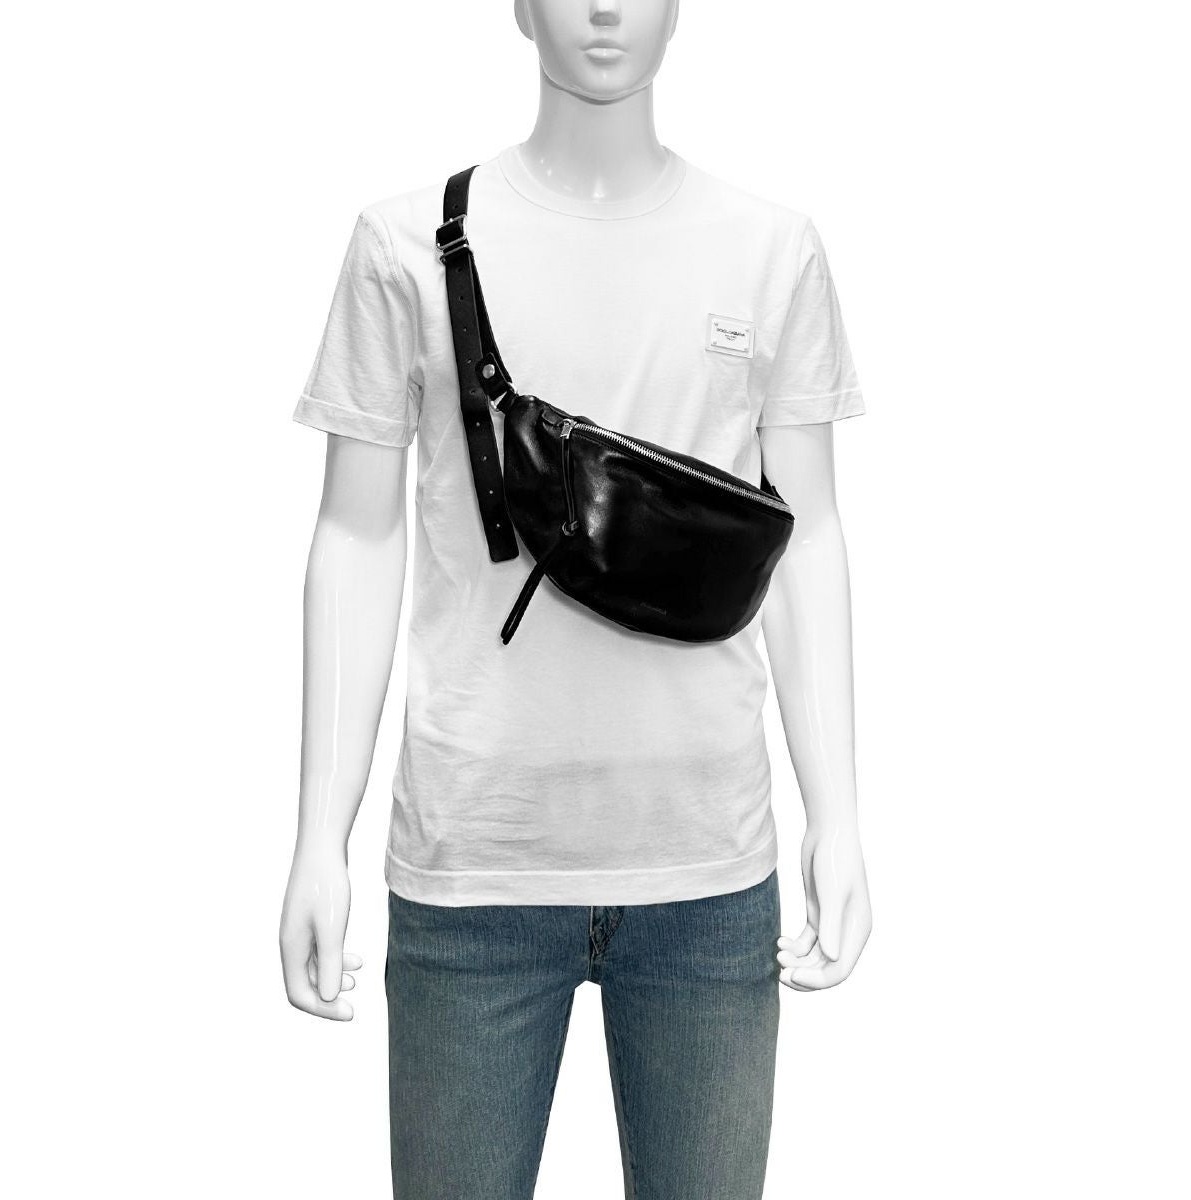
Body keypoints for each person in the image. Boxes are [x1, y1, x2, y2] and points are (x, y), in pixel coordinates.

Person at [279, 2, 872, 1197]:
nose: (604, 5)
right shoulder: (405, 243)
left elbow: (807, 540)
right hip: (472, 870)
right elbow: (353, 535)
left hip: (708, 872)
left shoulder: (771, 247)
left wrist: (841, 817)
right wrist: (315, 839)